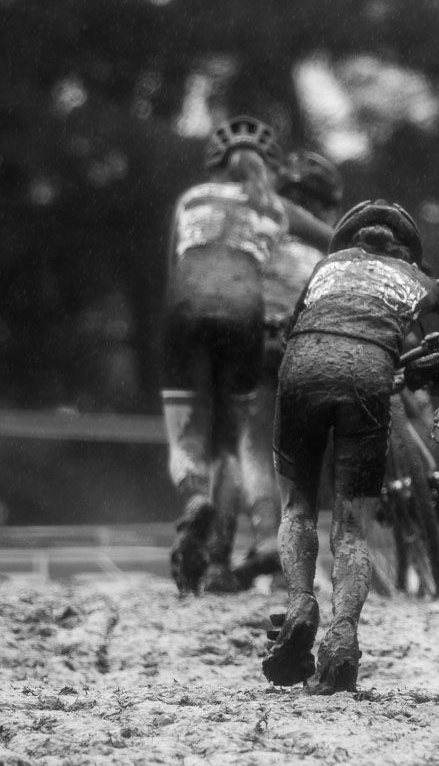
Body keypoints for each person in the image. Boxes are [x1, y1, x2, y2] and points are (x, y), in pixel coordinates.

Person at [262, 199, 439, 693]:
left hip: (302, 367)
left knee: (298, 509)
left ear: (351, 242)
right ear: (407, 252)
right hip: (367, 375)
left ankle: (299, 603)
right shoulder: (417, 280)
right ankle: (342, 639)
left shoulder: (323, 270)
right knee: (351, 529)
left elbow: (291, 330)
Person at [162, 116, 290, 596]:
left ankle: (195, 499)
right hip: (244, 316)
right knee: (229, 441)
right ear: (270, 167)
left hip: (185, 308)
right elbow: (265, 277)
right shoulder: (274, 210)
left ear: (215, 164)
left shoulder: (191, 198)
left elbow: (175, 263)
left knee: (184, 434)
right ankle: (225, 549)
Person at [234, 150, 344, 589]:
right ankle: (301, 557)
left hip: (262, 340)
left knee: (256, 442)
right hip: (320, 346)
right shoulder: (326, 245)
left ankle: (267, 536)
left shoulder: (258, 226)